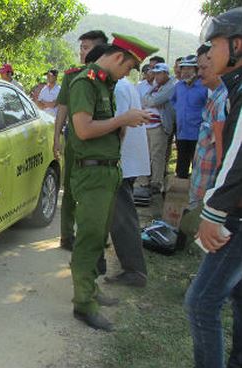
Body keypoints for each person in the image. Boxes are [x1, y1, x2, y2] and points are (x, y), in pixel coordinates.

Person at [67, 33, 157, 331]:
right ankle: (83, 304)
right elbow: (83, 129)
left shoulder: (106, 84)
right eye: (130, 66)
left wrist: (124, 124)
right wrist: (123, 120)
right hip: (91, 174)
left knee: (99, 238)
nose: (129, 73)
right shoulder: (86, 82)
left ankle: (91, 289)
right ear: (119, 58)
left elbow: (105, 128)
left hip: (107, 172)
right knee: (89, 239)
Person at [184, 7, 242, 367]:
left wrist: (213, 211)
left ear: (237, 45)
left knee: (201, 302)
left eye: (216, 45)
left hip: (234, 214)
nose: (211, 53)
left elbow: (237, 155)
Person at [54, 29, 108, 251]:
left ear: (100, 49)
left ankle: (93, 236)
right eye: (81, 47)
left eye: (86, 48)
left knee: (95, 192)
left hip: (99, 145)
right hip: (75, 142)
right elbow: (63, 107)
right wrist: (56, 136)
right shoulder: (72, 75)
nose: (81, 52)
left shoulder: (108, 77)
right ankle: (67, 236)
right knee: (70, 188)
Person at [105, 75, 150, 288]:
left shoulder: (118, 88)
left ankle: (134, 270)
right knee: (116, 214)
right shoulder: (125, 85)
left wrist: (111, 158)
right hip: (126, 160)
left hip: (121, 161)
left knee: (123, 218)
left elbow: (119, 126)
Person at [188, 44, 227, 210]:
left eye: (203, 67)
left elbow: (221, 155)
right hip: (202, 189)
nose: (199, 73)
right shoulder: (215, 97)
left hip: (210, 195)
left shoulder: (224, 101)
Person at [136, 63, 177, 194]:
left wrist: (149, 99)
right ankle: (144, 181)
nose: (156, 76)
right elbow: (142, 101)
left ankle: (156, 182)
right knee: (145, 153)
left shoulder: (170, 86)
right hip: (144, 124)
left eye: (159, 73)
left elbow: (154, 101)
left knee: (157, 154)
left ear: (166, 73)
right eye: (155, 73)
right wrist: (149, 99)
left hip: (158, 125)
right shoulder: (151, 86)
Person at [171, 55, 208, 179]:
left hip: (198, 132)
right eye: (183, 69)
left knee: (197, 165)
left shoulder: (204, 87)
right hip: (182, 131)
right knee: (181, 165)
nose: (185, 72)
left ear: (196, 70)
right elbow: (173, 101)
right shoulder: (178, 86)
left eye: (189, 69)